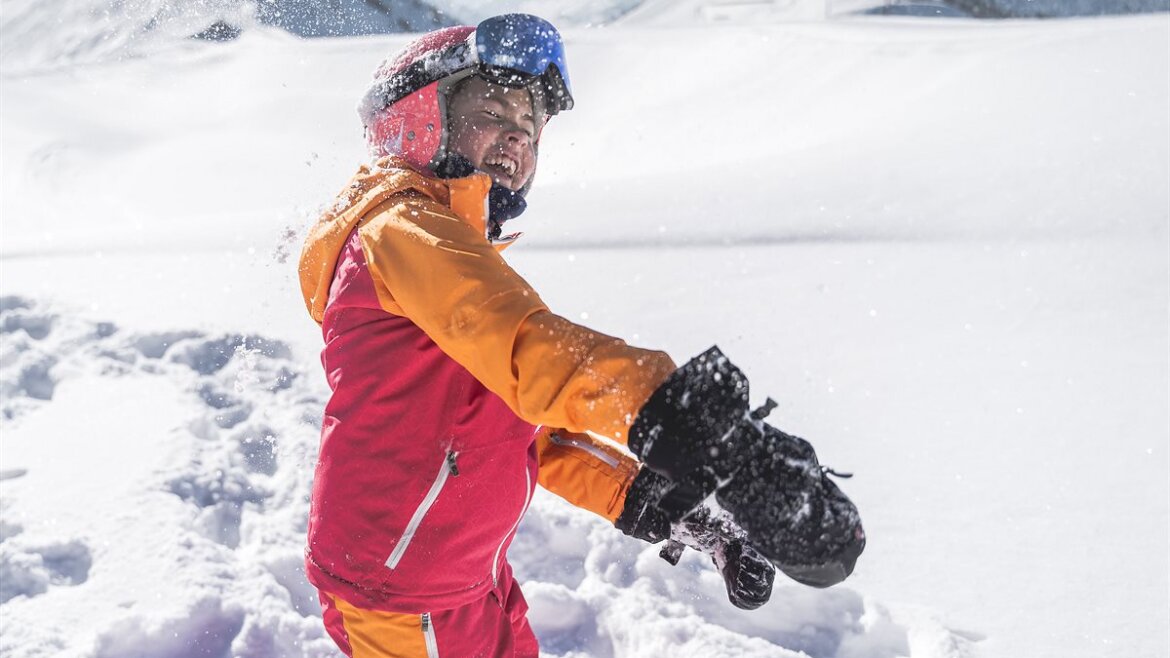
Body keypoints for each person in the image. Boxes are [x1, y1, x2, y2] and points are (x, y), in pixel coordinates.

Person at [297, 14, 864, 657]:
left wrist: (669, 507)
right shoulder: (402, 231)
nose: (517, 136)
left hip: (460, 577)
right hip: (405, 591)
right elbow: (532, 354)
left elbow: (524, 433)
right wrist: (717, 439)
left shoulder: (447, 247)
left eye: (531, 126)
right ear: (423, 112)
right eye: (495, 108)